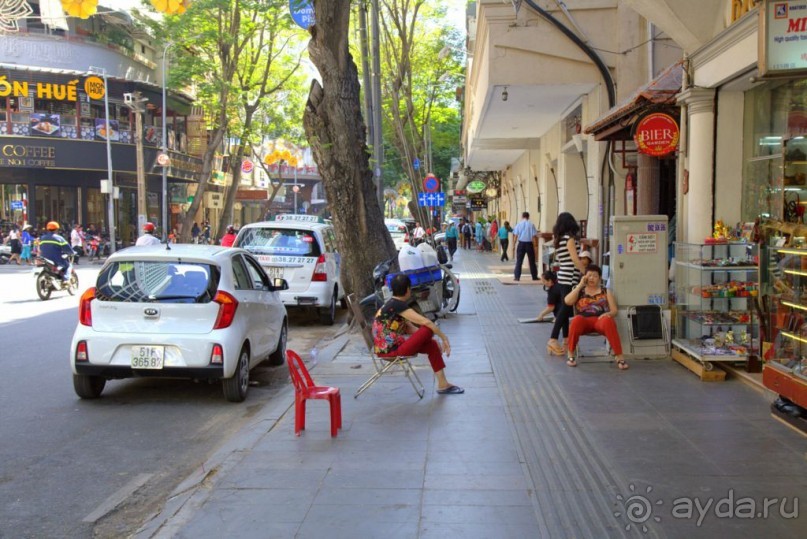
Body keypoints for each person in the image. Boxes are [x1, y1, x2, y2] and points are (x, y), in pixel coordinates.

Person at [373, 274, 464, 394]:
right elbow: (425, 322)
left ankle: (443, 384)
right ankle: (443, 383)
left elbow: (409, 328)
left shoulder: (392, 304)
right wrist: (444, 338)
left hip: (390, 347)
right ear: (407, 290)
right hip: (392, 350)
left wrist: (430, 340)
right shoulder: (397, 305)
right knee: (428, 328)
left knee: (431, 345)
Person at [564, 264, 628, 370]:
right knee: (576, 320)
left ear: (599, 278)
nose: (592, 278)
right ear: (584, 277)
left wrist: (608, 314)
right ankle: (570, 353)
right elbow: (567, 301)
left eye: (595, 276)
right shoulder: (579, 290)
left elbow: (614, 310)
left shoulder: (605, 291)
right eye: (589, 275)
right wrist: (580, 285)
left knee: (608, 321)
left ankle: (619, 356)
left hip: (600, 320)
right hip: (584, 320)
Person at [547, 212, 585, 355]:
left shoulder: (559, 239)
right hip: (570, 277)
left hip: (563, 276)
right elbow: (575, 260)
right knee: (565, 309)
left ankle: (566, 339)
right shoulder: (569, 239)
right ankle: (553, 339)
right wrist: (585, 272)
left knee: (564, 308)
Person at [512, 211, 539, 281]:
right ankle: (534, 276)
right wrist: (535, 246)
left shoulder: (519, 224)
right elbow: (533, 236)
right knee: (532, 261)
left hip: (521, 244)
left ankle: (517, 277)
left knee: (519, 261)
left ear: (522, 216)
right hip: (529, 244)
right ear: (528, 217)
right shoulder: (531, 224)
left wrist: (514, 245)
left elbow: (515, 235)